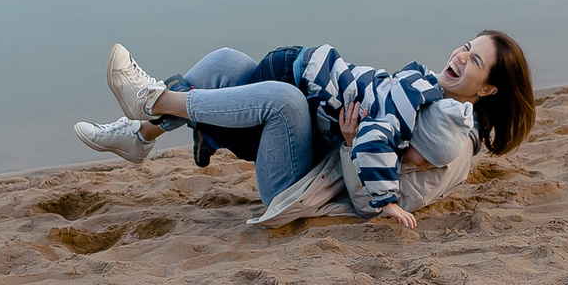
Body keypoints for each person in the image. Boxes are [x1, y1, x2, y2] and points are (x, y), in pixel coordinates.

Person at [75, 33, 535, 228]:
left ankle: (153, 102)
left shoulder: (447, 146)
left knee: (283, 97)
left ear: (490, 88)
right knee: (226, 62)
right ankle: (139, 137)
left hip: (300, 186)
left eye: (475, 61)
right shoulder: (434, 101)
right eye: (466, 47)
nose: (459, 57)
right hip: (313, 148)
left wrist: (356, 142)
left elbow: (369, 202)